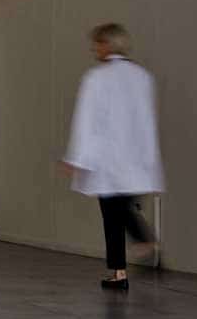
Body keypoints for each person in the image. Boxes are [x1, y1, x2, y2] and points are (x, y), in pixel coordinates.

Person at [62, 23, 163, 291]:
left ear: (108, 44)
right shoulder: (142, 77)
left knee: (113, 213)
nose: (94, 48)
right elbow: (146, 121)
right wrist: (149, 159)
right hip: (135, 157)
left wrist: (76, 158)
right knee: (122, 208)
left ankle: (137, 247)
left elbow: (86, 121)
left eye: (97, 43)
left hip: (105, 158)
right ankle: (120, 271)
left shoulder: (96, 78)